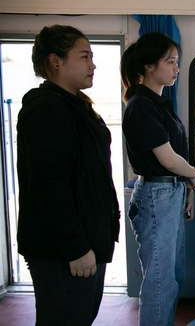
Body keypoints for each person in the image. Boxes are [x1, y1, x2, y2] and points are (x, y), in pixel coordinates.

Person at [16, 25, 120, 325]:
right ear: (56, 61)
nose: (93, 64)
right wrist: (76, 247)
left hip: (86, 244)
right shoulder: (47, 110)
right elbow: (48, 188)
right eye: (84, 56)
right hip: (64, 252)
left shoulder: (75, 106)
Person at [120, 31, 195, 326]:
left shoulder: (159, 103)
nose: (176, 68)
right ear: (148, 67)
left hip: (171, 192)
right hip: (156, 195)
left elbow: (177, 154)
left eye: (177, 62)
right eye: (170, 62)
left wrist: (189, 186)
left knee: (173, 276)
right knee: (159, 281)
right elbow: (167, 159)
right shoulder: (141, 105)